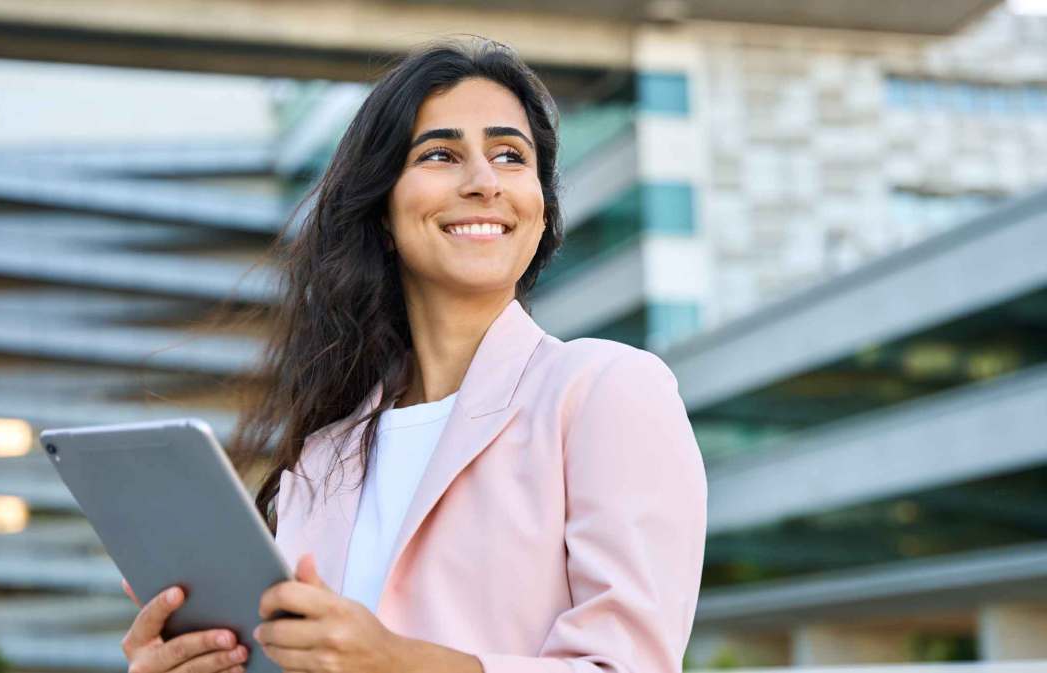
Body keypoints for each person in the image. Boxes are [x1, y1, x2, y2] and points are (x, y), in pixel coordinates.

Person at [119, 36, 707, 673]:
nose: (483, 182)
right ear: (383, 212)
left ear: (541, 210)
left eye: (511, 155)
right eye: (441, 154)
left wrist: (397, 662)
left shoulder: (607, 389)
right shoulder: (322, 455)